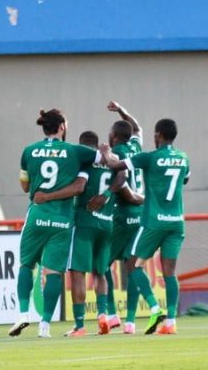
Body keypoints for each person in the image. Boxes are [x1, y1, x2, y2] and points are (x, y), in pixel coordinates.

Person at [8, 109, 103, 339]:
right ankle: (45, 325)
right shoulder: (74, 151)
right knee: (53, 272)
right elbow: (104, 160)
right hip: (62, 220)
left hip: (37, 215)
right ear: (61, 127)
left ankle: (22, 313)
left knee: (26, 265)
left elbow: (24, 186)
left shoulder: (29, 151)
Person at [100, 118, 191, 335]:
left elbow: (114, 165)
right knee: (170, 271)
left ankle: (154, 306)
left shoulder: (149, 158)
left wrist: (104, 151)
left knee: (133, 265)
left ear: (158, 135)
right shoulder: (183, 157)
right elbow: (185, 180)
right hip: (177, 223)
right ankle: (170, 321)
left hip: (153, 222)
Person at [57, 131, 140, 337]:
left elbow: (80, 186)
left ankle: (80, 325)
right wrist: (107, 195)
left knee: (77, 273)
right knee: (100, 272)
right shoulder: (112, 162)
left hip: (84, 222)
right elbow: (123, 177)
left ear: (83, 146)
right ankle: (103, 315)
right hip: (107, 225)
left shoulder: (85, 162)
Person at [105, 102, 152, 335]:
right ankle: (131, 321)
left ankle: (112, 313)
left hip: (123, 215)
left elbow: (120, 181)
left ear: (113, 136)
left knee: (101, 263)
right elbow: (138, 127)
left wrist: (126, 197)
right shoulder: (137, 147)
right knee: (132, 266)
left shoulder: (115, 155)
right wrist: (122, 109)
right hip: (140, 216)